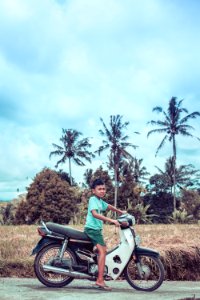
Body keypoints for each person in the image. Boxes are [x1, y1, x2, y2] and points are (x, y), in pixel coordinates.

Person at [84, 178, 126, 291]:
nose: (102, 191)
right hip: (92, 230)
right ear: (93, 190)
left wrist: (120, 212)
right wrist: (111, 220)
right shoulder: (93, 199)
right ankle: (100, 280)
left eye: (103, 189)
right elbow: (94, 214)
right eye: (99, 189)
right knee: (103, 252)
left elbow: (109, 206)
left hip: (96, 230)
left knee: (98, 251)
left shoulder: (100, 201)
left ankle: (97, 272)